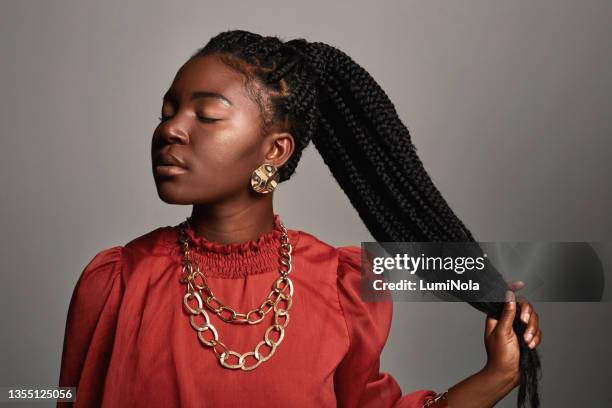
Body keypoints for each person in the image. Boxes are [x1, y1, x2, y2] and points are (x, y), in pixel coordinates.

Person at [58, 30, 542, 408]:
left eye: (206, 115)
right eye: (167, 112)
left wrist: (498, 375)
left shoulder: (337, 286)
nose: (170, 130)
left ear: (275, 150)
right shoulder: (118, 282)